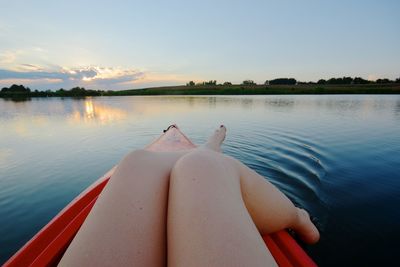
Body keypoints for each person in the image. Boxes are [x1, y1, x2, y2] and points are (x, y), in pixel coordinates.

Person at [59, 125, 319, 267]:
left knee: (136, 161)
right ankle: (298, 217)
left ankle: (209, 148)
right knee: (201, 166)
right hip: (204, 165)